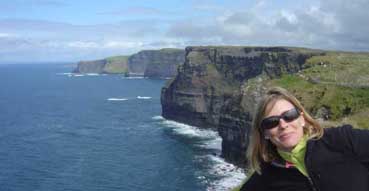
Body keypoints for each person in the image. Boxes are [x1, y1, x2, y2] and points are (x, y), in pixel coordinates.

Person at [240, 86, 369, 191]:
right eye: (271, 122)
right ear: (264, 133)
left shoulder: (341, 139)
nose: (283, 125)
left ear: (302, 119)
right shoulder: (264, 179)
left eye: (289, 115)